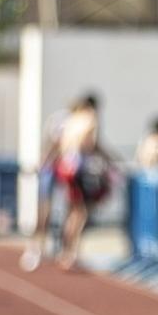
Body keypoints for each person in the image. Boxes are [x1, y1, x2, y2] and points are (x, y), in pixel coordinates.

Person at [49, 93, 109, 271]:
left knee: (72, 210)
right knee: (80, 212)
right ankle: (71, 253)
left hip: (66, 166)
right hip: (78, 168)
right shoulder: (89, 119)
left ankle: (66, 251)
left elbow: (62, 144)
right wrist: (106, 160)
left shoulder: (71, 120)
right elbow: (90, 144)